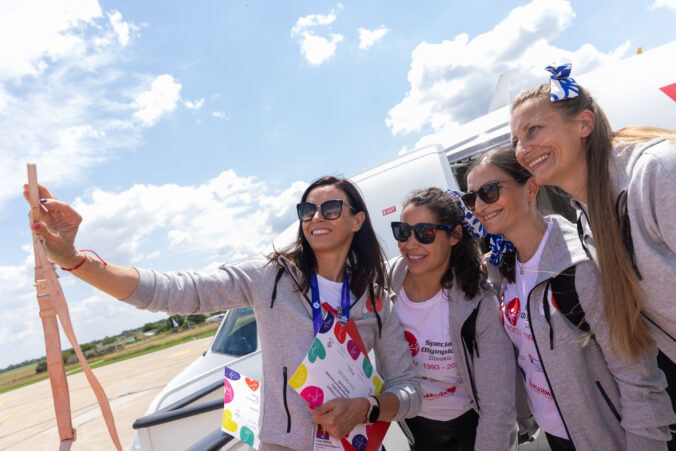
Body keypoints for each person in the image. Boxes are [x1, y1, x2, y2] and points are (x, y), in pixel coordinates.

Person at [25, 176, 421, 450]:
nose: (316, 217)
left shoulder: (374, 299)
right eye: (307, 210)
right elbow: (176, 292)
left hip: (357, 444)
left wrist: (366, 408)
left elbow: (409, 390)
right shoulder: (271, 278)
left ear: (357, 220)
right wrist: (75, 260)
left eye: (331, 208)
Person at [463, 146, 675, 450]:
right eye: (471, 198)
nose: (479, 205)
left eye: (490, 191)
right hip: (556, 434)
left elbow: (638, 376)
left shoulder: (580, 267)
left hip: (607, 438)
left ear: (531, 188)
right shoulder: (501, 267)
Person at [510, 64, 676, 446]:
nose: (522, 149)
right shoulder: (587, 218)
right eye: (516, 139)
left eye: (533, 130)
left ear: (583, 123)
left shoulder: (652, 174)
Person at [387, 187, 518, 451]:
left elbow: (497, 407)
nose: (410, 244)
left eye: (425, 233)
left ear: (454, 236)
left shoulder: (478, 301)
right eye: (403, 231)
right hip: (418, 428)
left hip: (474, 429)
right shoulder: (387, 281)